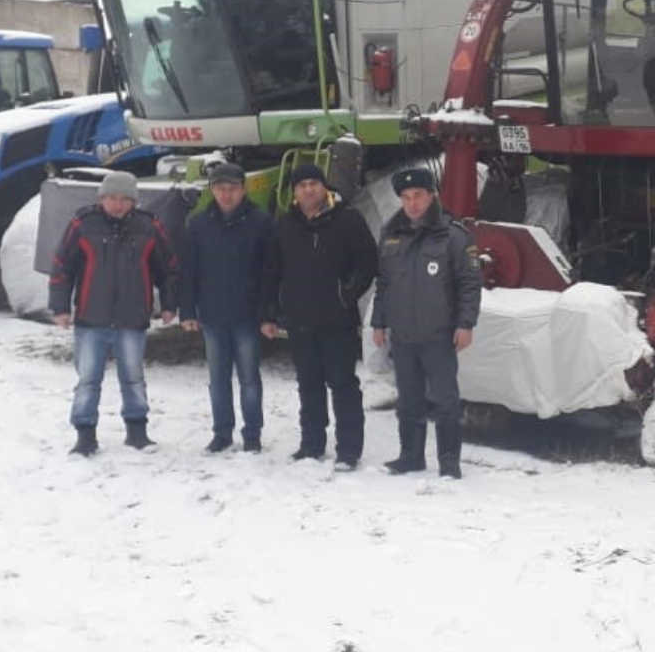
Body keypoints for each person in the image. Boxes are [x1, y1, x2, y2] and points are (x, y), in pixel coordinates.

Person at [48, 170, 179, 456]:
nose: (117, 205)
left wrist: (169, 304)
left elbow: (168, 268)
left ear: (133, 201)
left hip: (132, 319)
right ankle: (85, 435)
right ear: (102, 198)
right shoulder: (83, 224)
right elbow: (62, 267)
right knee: (88, 380)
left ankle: (137, 431)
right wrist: (59, 307)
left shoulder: (149, 227)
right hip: (90, 319)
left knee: (132, 377)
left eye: (124, 199)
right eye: (111, 198)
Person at [260, 163, 379, 471]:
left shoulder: (348, 220)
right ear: (294, 192)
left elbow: (367, 260)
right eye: (301, 185)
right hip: (300, 320)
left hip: (337, 319)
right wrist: (270, 312)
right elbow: (271, 272)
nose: (308, 189)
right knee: (308, 385)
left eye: (313, 183)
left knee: (343, 385)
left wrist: (347, 292)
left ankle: (349, 450)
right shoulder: (285, 226)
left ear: (324, 187)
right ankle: (311, 444)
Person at [372, 167, 482, 479]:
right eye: (406, 198)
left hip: (439, 335)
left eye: (418, 196)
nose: (412, 203)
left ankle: (449, 462)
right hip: (403, 335)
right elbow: (384, 284)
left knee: (446, 401)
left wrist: (466, 324)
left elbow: (469, 284)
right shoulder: (392, 234)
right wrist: (379, 323)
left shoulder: (454, 236)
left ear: (432, 195)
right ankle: (411, 456)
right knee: (408, 401)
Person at [180, 162, 274, 454]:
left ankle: (252, 434)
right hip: (211, 315)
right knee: (217, 380)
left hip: (247, 315)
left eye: (232, 189)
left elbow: (269, 271)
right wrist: (187, 311)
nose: (226, 195)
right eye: (220, 188)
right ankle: (222, 433)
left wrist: (268, 313)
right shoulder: (197, 223)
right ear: (212, 190)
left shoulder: (260, 221)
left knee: (249, 379)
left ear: (243, 190)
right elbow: (189, 270)